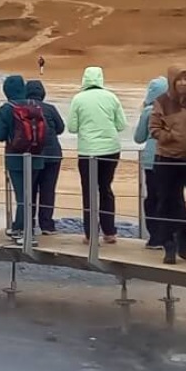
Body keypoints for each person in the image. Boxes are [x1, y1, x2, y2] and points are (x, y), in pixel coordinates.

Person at [68, 66, 127, 245]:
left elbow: (72, 127)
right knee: (106, 189)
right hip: (111, 150)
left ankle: (90, 234)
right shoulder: (111, 97)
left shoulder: (78, 99)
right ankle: (109, 232)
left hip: (88, 151)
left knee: (89, 192)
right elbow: (121, 125)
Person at [149, 66, 186, 264]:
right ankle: (168, 245)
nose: (183, 83)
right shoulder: (162, 101)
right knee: (167, 202)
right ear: (172, 81)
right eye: (179, 79)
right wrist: (170, 136)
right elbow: (153, 128)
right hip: (166, 159)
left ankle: (184, 233)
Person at [0, 74, 46, 243]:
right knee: (28, 194)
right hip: (36, 157)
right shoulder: (35, 105)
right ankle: (19, 227)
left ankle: (25, 232)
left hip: (15, 159)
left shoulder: (6, 108)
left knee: (22, 197)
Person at [133, 77, 171, 248]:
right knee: (171, 197)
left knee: (153, 198)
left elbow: (138, 138)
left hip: (152, 159)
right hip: (174, 158)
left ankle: (155, 237)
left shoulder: (149, 111)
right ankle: (172, 236)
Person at [26, 80, 65, 234]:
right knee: (48, 190)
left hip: (32, 154)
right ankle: (47, 225)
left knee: (30, 189)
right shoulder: (50, 108)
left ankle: (29, 223)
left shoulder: (23, 108)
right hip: (53, 154)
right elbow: (60, 128)